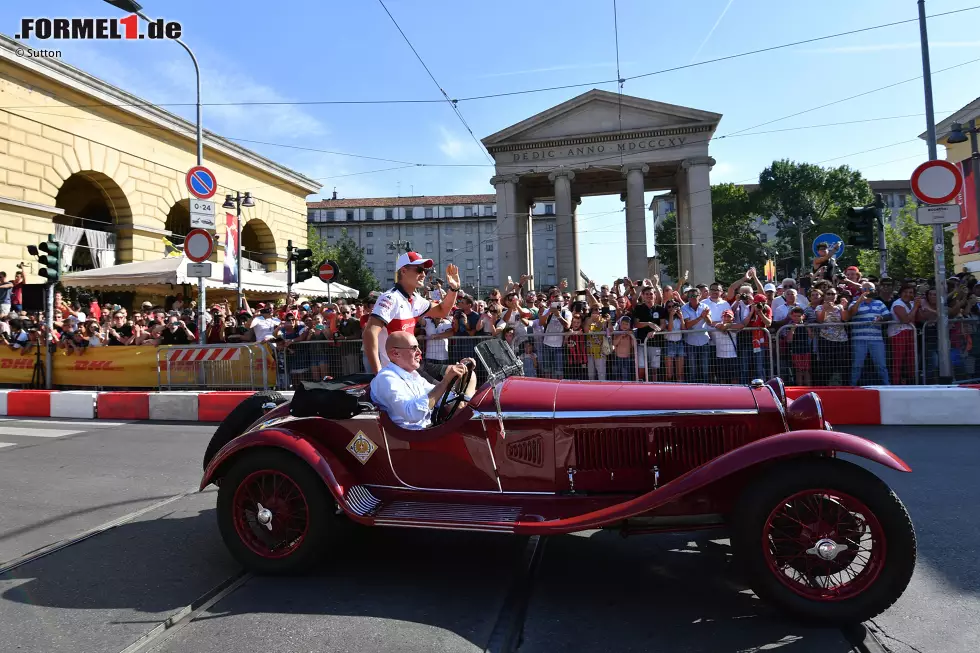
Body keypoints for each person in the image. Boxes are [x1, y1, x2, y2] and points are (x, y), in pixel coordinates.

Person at [364, 253, 461, 375]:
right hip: (395, 373)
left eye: (425, 270)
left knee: (461, 375)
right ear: (403, 271)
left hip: (413, 368)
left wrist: (454, 289)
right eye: (419, 270)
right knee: (447, 385)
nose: (424, 274)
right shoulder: (390, 298)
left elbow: (442, 311)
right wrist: (378, 372)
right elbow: (369, 332)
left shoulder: (415, 298)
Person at [369, 331, 477, 430]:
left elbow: (441, 398)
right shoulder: (386, 379)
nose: (419, 352)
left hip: (425, 432)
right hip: (411, 440)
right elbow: (413, 414)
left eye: (418, 347)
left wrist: (458, 378)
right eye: (414, 348)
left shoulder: (413, 375)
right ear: (395, 353)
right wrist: (446, 381)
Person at [847, 282, 891, 386]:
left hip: (876, 340)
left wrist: (882, 318)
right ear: (861, 290)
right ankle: (852, 386)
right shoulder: (854, 302)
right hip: (859, 340)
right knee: (857, 365)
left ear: (874, 291)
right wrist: (859, 301)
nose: (867, 290)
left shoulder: (879, 303)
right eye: (865, 288)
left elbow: (889, 316)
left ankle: (887, 385)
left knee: (881, 365)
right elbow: (850, 314)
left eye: (870, 289)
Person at [680, 287, 711, 383]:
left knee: (705, 369)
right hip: (690, 342)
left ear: (700, 296)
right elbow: (687, 325)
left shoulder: (705, 306)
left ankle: (706, 390)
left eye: (694, 296)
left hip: (704, 341)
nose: (692, 298)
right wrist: (700, 317)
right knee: (692, 369)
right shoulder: (684, 308)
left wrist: (705, 316)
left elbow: (710, 322)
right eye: (689, 296)